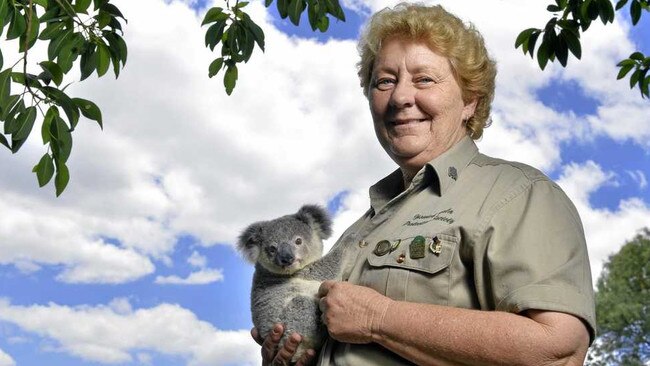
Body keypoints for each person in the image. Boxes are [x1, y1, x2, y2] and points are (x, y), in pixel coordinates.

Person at [252, 3, 596, 365]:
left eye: (424, 79)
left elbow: (557, 351)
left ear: (469, 101)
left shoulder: (518, 194)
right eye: (385, 81)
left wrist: (379, 319)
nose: (400, 97)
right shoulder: (360, 228)